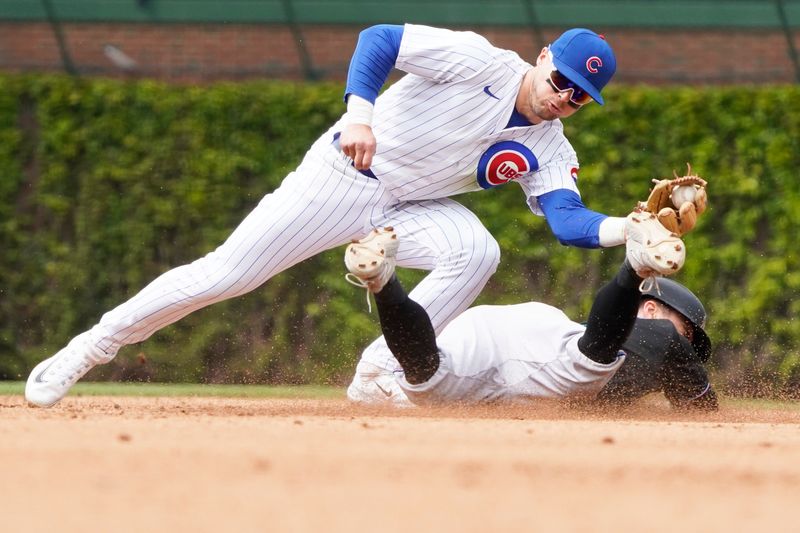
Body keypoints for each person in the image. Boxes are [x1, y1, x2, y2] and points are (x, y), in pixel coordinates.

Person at [27, 24, 626, 408]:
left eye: (580, 96)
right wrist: (360, 114)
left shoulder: (552, 147)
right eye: (561, 80)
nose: (564, 97)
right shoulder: (479, 61)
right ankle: (91, 346)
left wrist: (631, 230)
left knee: (477, 252)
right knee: (226, 276)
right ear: (543, 56)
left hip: (411, 207)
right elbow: (379, 39)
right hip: (343, 177)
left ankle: (377, 372)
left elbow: (566, 220)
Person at [342, 217, 717, 410]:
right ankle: (634, 268)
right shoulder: (655, 335)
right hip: (535, 350)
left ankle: (383, 281)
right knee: (589, 362)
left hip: (489, 346)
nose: (686, 345)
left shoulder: (627, 372)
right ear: (650, 308)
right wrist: (703, 407)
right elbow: (667, 340)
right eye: (688, 332)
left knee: (428, 378)